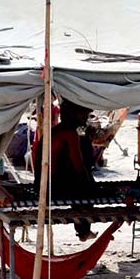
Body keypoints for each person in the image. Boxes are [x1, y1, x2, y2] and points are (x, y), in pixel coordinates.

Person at [34, 99, 97, 241]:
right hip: (51, 188)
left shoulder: (56, 131)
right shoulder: (69, 133)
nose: (86, 118)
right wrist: (92, 186)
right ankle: (83, 231)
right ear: (73, 114)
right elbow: (79, 166)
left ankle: (83, 230)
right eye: (83, 115)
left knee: (84, 185)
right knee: (86, 190)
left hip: (45, 184)